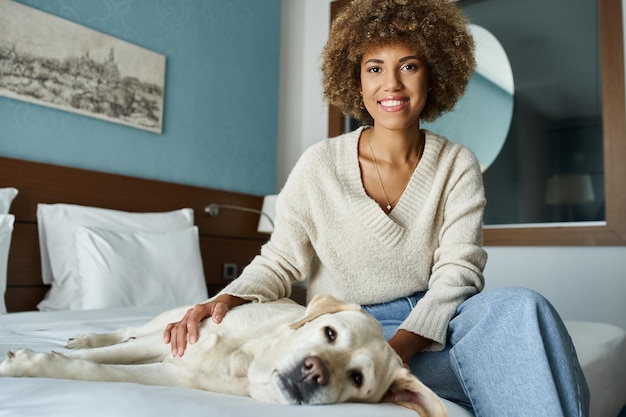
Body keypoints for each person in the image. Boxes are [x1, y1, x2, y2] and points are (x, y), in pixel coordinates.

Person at [164, 0, 590, 415]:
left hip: (431, 325)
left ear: (433, 75)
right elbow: (279, 260)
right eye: (375, 68)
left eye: (409, 65)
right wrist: (224, 298)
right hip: (346, 329)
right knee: (521, 361)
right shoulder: (320, 164)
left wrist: (396, 351)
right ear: (356, 80)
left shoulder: (457, 164)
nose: (392, 84)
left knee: (525, 309)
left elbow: (457, 274)